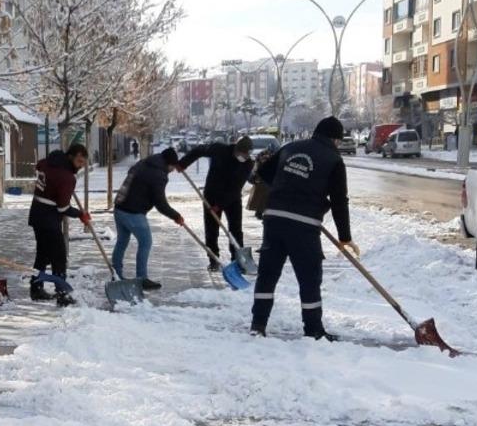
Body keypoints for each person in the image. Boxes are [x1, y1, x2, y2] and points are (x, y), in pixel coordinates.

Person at [250, 117, 358, 341]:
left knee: (267, 275)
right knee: (309, 279)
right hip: (304, 225)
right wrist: (344, 237)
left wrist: (288, 186)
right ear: (335, 139)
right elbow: (339, 201)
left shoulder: (290, 147)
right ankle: (313, 330)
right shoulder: (334, 159)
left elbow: (265, 174)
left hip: (274, 219)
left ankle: (258, 324)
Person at [111, 147, 184, 290]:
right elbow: (160, 203)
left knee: (122, 242)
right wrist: (176, 216)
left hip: (119, 207)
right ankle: (142, 278)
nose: (173, 170)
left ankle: (116, 274)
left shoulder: (144, 162)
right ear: (169, 164)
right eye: (173, 167)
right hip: (133, 212)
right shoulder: (159, 175)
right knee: (145, 242)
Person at [178, 136, 255, 271]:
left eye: (247, 154)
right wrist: (183, 163)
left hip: (232, 198)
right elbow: (198, 150)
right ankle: (213, 259)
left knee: (236, 230)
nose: (245, 157)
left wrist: (219, 205)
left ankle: (237, 259)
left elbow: (235, 188)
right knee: (211, 230)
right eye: (243, 154)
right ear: (236, 149)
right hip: (211, 194)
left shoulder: (248, 164)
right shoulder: (219, 149)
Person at [28, 143, 90, 306]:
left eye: (83, 162)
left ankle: (36, 288)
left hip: (36, 213)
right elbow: (63, 207)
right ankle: (62, 294)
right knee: (59, 257)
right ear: (70, 157)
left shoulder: (48, 162)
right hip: (48, 218)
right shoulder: (67, 177)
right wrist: (80, 214)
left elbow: (39, 166)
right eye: (78, 161)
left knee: (42, 254)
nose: (81, 165)